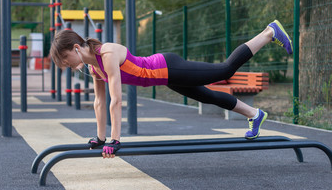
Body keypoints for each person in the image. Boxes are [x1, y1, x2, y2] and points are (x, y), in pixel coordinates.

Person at [50, 20, 293, 159]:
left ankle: (270, 32)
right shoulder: (94, 69)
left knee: (224, 70)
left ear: (75, 48)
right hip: (164, 77)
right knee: (206, 95)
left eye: (65, 60)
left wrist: (115, 140)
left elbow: (115, 100)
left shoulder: (107, 53)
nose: (66, 66)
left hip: (168, 67)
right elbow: (99, 103)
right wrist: (100, 139)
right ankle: (254, 114)